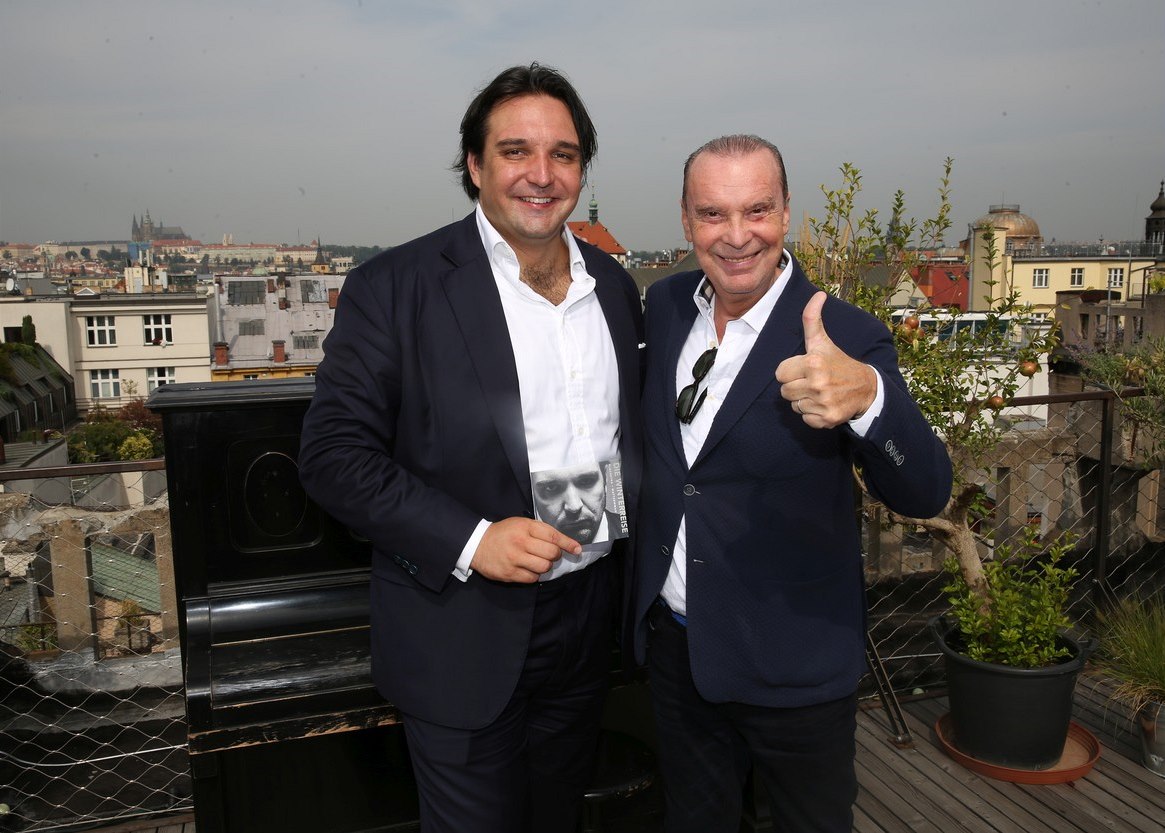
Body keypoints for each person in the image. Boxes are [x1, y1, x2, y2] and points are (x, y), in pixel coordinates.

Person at [298, 63, 643, 833]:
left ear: (581, 169)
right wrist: (473, 538)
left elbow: (622, 443)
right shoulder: (395, 285)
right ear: (475, 166)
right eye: (515, 151)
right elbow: (332, 456)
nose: (541, 174)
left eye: (562, 154)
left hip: (587, 617)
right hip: (463, 625)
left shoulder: (614, 289)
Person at [630, 134, 952, 833]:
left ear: (785, 213)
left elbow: (926, 492)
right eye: (712, 213)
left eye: (756, 210)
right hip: (678, 654)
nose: (736, 235)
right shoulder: (665, 306)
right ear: (685, 220)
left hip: (794, 665)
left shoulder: (844, 334)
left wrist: (870, 398)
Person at [531, 461, 627, 545]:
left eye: (586, 481)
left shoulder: (634, 529)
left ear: (605, 478)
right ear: (532, 493)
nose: (574, 507)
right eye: (551, 488)